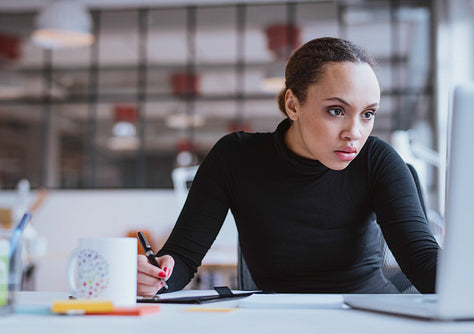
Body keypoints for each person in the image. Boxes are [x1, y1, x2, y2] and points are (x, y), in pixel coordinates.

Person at [137, 37, 440, 296]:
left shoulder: (379, 160)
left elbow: (423, 262)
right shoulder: (236, 157)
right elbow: (182, 258)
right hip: (278, 317)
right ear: (293, 105)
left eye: (368, 113)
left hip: (369, 314)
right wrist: (155, 278)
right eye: (336, 111)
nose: (355, 132)